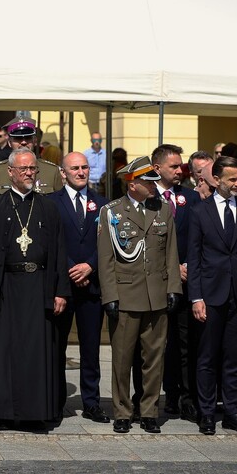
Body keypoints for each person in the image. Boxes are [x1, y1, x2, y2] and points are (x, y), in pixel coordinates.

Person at [0, 148, 69, 429]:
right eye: (24, 169)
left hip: (39, 286)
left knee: (35, 352)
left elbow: (59, 251)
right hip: (6, 288)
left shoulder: (48, 207)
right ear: (10, 172)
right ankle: (2, 412)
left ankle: (34, 414)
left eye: (33, 169)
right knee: (3, 353)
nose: (29, 173)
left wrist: (61, 291)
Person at [98, 157, 180, 433]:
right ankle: (122, 411)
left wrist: (173, 288)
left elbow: (171, 253)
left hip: (156, 294)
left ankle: (149, 411)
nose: (155, 186)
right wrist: (109, 295)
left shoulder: (163, 210)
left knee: (154, 359)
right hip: (125, 294)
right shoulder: (112, 212)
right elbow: (106, 258)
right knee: (122, 359)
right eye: (149, 182)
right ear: (133, 184)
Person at [187, 156, 237, 435]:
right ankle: (207, 413)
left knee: (234, 357)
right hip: (210, 295)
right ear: (216, 180)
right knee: (207, 357)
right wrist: (196, 297)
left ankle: (232, 412)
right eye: (232, 179)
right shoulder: (199, 211)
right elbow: (194, 258)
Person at [51, 152, 110, 423]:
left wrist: (90, 266)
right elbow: (51, 242)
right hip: (62, 287)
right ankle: (55, 401)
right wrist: (72, 268)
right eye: (74, 168)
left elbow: (108, 242)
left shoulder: (103, 204)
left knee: (91, 348)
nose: (81, 172)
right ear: (63, 173)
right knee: (57, 347)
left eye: (85, 167)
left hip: (92, 286)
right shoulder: (51, 203)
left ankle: (92, 403)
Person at [150, 144, 201, 422]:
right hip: (155, 282)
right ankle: (159, 395)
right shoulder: (146, 196)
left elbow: (198, 237)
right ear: (157, 168)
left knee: (184, 343)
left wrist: (188, 265)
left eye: (181, 166)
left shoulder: (190, 198)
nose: (180, 170)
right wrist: (170, 268)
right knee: (157, 343)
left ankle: (184, 397)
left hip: (185, 282)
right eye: (173, 166)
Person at [0, 117, 63, 196]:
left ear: (34, 141)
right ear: (9, 142)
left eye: (28, 138)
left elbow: (59, 201)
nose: (24, 142)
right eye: (18, 138)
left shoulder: (52, 171)